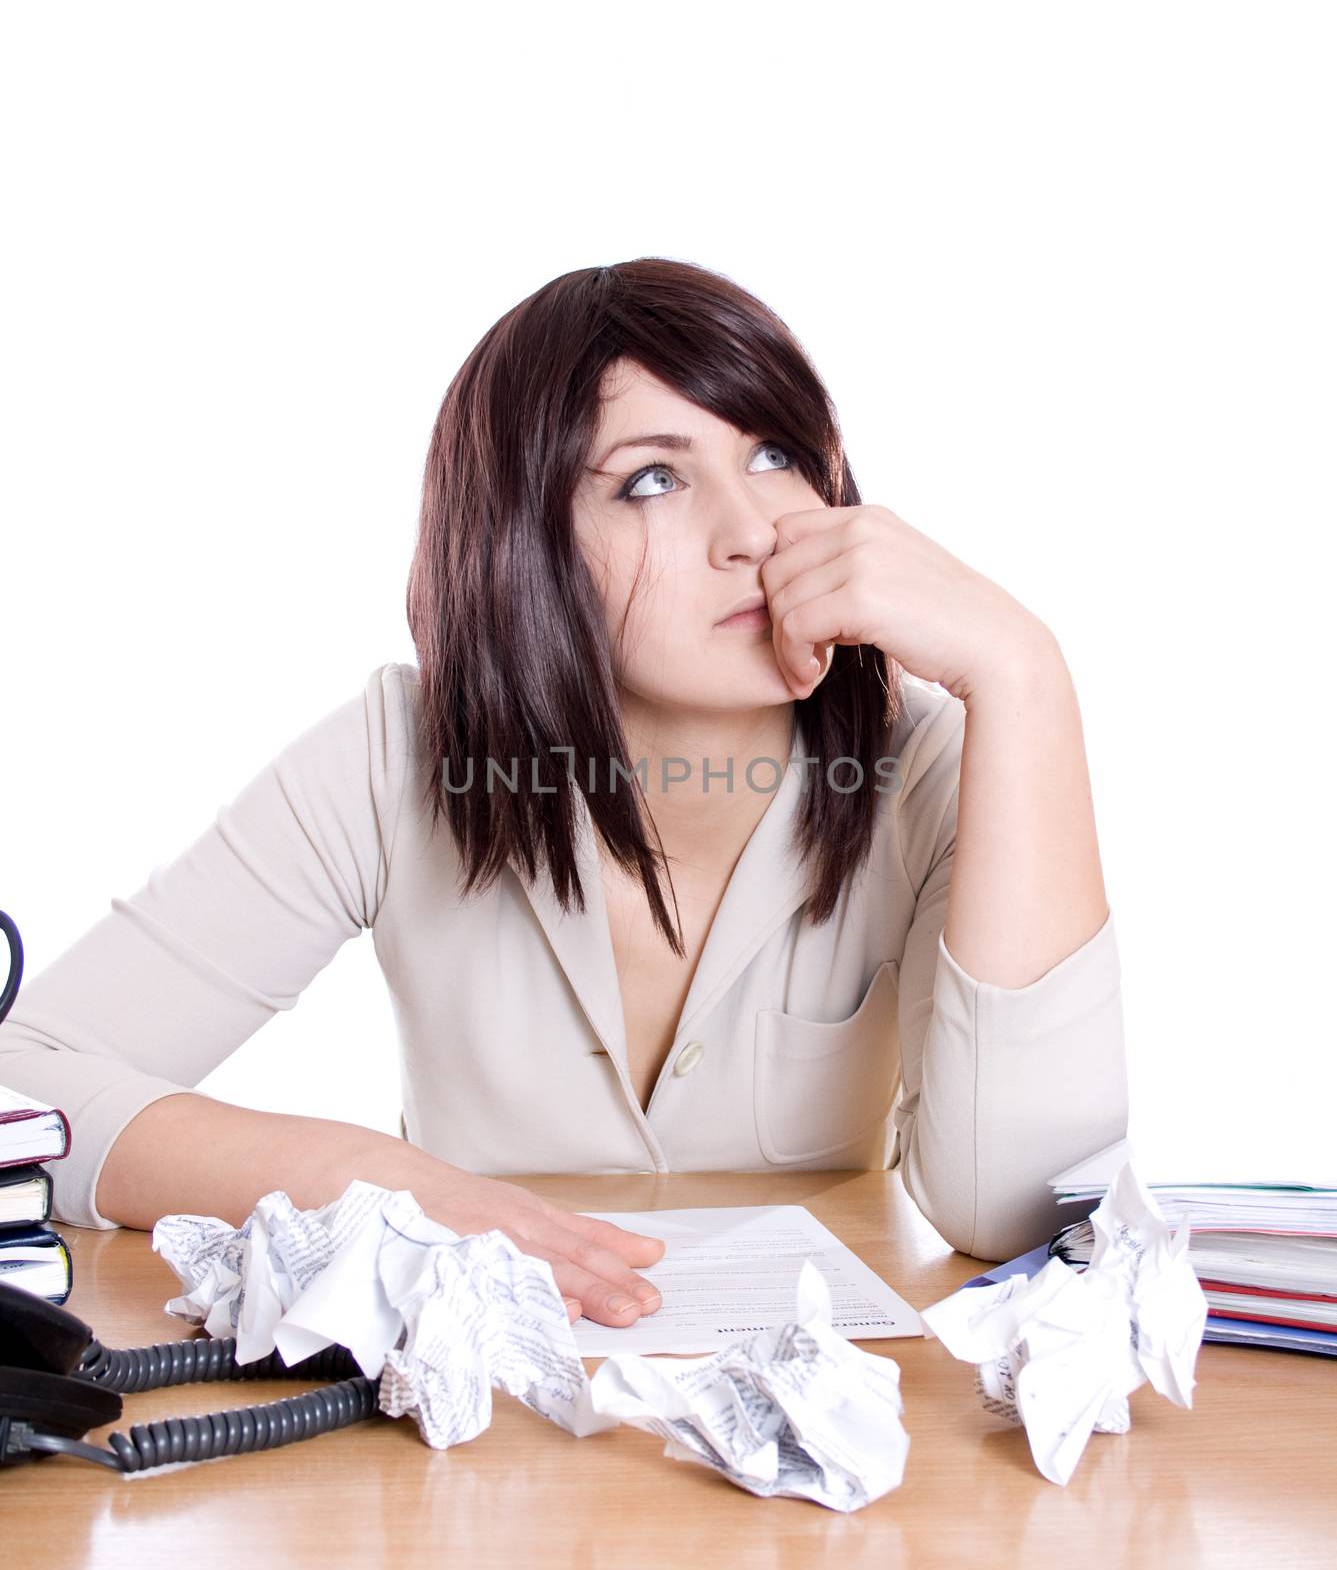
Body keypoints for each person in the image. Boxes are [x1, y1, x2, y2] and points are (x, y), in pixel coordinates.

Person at [0, 257, 1127, 1330]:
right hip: (490, 1444)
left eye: (776, 454)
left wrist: (1021, 677)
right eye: (652, 479)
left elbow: (1024, 1211)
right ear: (524, 544)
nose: (751, 533)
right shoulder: (395, 757)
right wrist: (381, 1184)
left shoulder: (923, 769)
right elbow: (19, 1083)